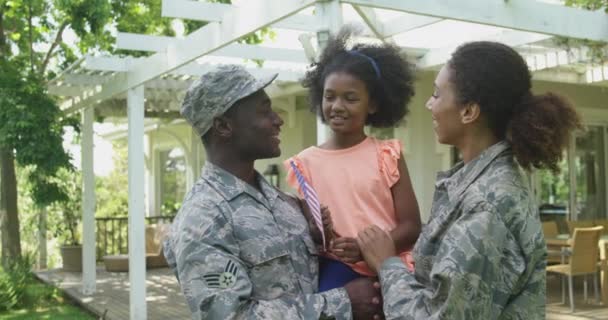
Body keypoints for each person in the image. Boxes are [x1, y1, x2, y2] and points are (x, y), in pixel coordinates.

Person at [357, 41, 582, 319]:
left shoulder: (486, 204)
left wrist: (387, 263)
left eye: (437, 95)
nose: (429, 104)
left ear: (469, 112)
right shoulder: (481, 185)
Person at [163, 64, 383, 320]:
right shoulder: (202, 219)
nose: (278, 120)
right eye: (264, 111)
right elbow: (232, 316)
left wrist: (316, 236)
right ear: (223, 126)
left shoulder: (282, 202)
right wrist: (343, 302)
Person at [285, 27, 421, 292]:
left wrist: (366, 248)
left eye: (350, 98)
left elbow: (411, 225)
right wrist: (319, 232)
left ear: (372, 104)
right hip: (335, 271)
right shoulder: (305, 164)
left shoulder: (387, 155)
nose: (337, 106)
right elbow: (309, 234)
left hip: (389, 265)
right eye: (329, 96)